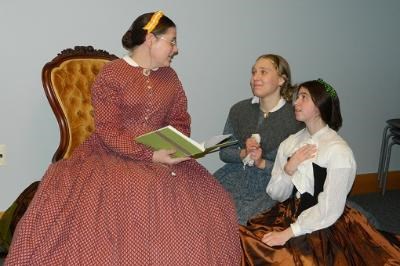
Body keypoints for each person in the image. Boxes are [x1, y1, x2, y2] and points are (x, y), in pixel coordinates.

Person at [5, 11, 241, 265]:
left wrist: (176, 144)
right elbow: (107, 130)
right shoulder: (112, 74)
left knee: (213, 196)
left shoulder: (170, 77)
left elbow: (180, 119)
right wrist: (149, 155)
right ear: (151, 39)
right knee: (144, 188)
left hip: (164, 152)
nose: (176, 49)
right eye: (171, 41)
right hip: (113, 153)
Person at [240, 79, 400, 265]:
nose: (296, 102)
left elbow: (329, 208)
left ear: (319, 106)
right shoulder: (290, 143)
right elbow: (277, 194)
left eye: (304, 97)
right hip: (290, 212)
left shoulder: (338, 151)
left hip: (325, 221)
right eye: (297, 97)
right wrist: (289, 169)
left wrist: (287, 233)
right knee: (249, 241)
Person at [214, 54, 304, 224]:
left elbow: (296, 170)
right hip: (234, 175)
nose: (255, 77)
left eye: (263, 72)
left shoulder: (295, 119)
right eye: (254, 72)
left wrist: (261, 162)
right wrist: (244, 153)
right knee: (200, 207)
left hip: (272, 185)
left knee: (237, 221)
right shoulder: (238, 110)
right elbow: (224, 153)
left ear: (281, 80)